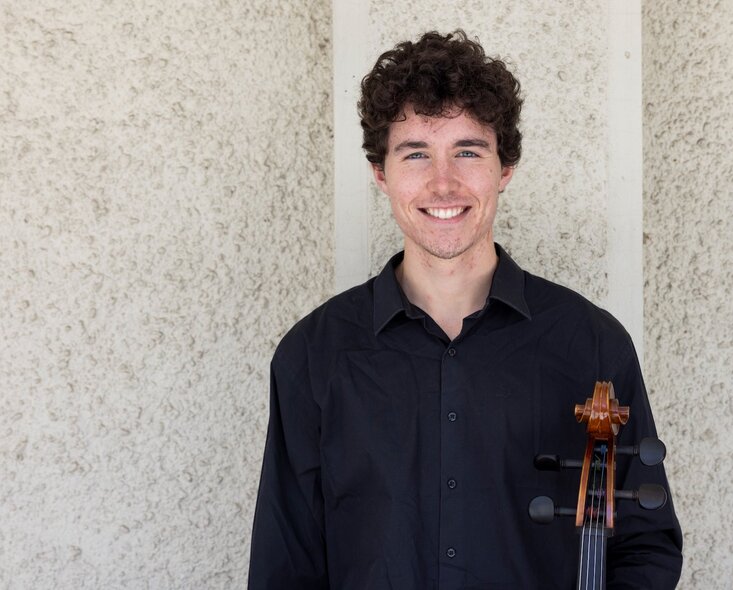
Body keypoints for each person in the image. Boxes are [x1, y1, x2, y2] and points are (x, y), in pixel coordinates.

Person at [248, 30, 682, 589]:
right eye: (416, 154)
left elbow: (646, 549)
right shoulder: (313, 354)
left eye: (468, 151)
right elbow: (286, 564)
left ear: (505, 168)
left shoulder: (591, 343)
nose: (443, 182)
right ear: (381, 173)